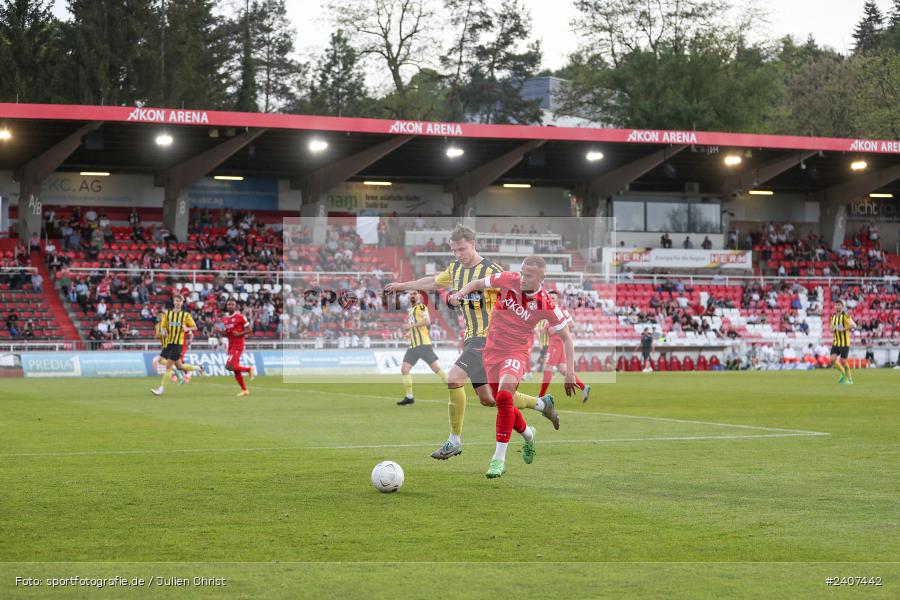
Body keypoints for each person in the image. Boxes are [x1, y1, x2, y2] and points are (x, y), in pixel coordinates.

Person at [384, 224, 557, 461]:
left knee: (454, 378)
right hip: (472, 339)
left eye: (461, 249)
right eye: (454, 250)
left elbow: (521, 297)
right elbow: (434, 282)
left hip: (490, 338)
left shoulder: (491, 270)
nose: (457, 255)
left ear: (473, 245)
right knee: (489, 399)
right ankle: (540, 406)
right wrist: (403, 286)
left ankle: (454, 441)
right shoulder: (455, 269)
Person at [449, 255, 576, 478]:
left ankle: (498, 459)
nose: (523, 278)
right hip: (492, 351)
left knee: (505, 397)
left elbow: (567, 338)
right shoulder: (509, 279)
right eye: (522, 272)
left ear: (541, 277)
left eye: (528, 275)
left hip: (516, 352)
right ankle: (528, 433)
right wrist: (460, 294)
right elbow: (478, 283)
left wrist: (570, 373)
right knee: (499, 400)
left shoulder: (546, 304)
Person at [537, 291, 591, 401]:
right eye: (549, 297)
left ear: (557, 299)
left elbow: (571, 324)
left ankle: (540, 396)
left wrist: (555, 330)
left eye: (553, 298)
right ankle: (584, 387)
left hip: (558, 343)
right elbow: (546, 330)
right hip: (554, 343)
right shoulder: (547, 312)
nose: (551, 299)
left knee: (547, 368)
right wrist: (539, 331)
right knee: (562, 369)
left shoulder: (561, 310)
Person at [397, 292, 447, 406]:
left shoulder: (421, 307)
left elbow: (427, 321)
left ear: (420, 297)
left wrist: (410, 326)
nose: (412, 296)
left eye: (415, 294)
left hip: (423, 344)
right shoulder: (411, 310)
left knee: (436, 369)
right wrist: (409, 333)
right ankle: (409, 397)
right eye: (411, 294)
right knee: (404, 369)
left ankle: (454, 387)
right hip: (413, 346)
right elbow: (416, 327)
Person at [151, 295, 202, 396]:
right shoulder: (168, 313)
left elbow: (194, 327)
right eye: (176, 301)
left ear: (182, 303)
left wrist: (187, 329)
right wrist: (164, 331)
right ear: (174, 302)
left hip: (178, 344)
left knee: (169, 366)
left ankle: (161, 389)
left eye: (180, 301)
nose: (178, 302)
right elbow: (164, 326)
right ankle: (199, 368)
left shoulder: (185, 315)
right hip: (168, 343)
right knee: (179, 366)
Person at [222, 298, 255, 396]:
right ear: (226, 306)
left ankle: (249, 369)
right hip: (231, 345)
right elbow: (228, 334)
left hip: (238, 345)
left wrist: (239, 334)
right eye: (229, 304)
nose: (230, 306)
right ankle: (244, 390)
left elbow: (249, 330)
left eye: (232, 304)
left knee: (229, 366)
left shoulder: (240, 317)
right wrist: (219, 332)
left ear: (235, 306)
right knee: (234, 369)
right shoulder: (225, 319)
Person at [829, 299, 856, 385]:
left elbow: (853, 325)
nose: (837, 306)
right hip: (836, 342)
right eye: (836, 305)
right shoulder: (833, 317)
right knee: (832, 360)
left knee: (843, 361)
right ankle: (843, 372)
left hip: (844, 342)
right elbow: (830, 329)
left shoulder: (845, 315)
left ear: (842, 307)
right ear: (834, 307)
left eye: (839, 305)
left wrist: (843, 329)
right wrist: (833, 329)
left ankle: (850, 379)